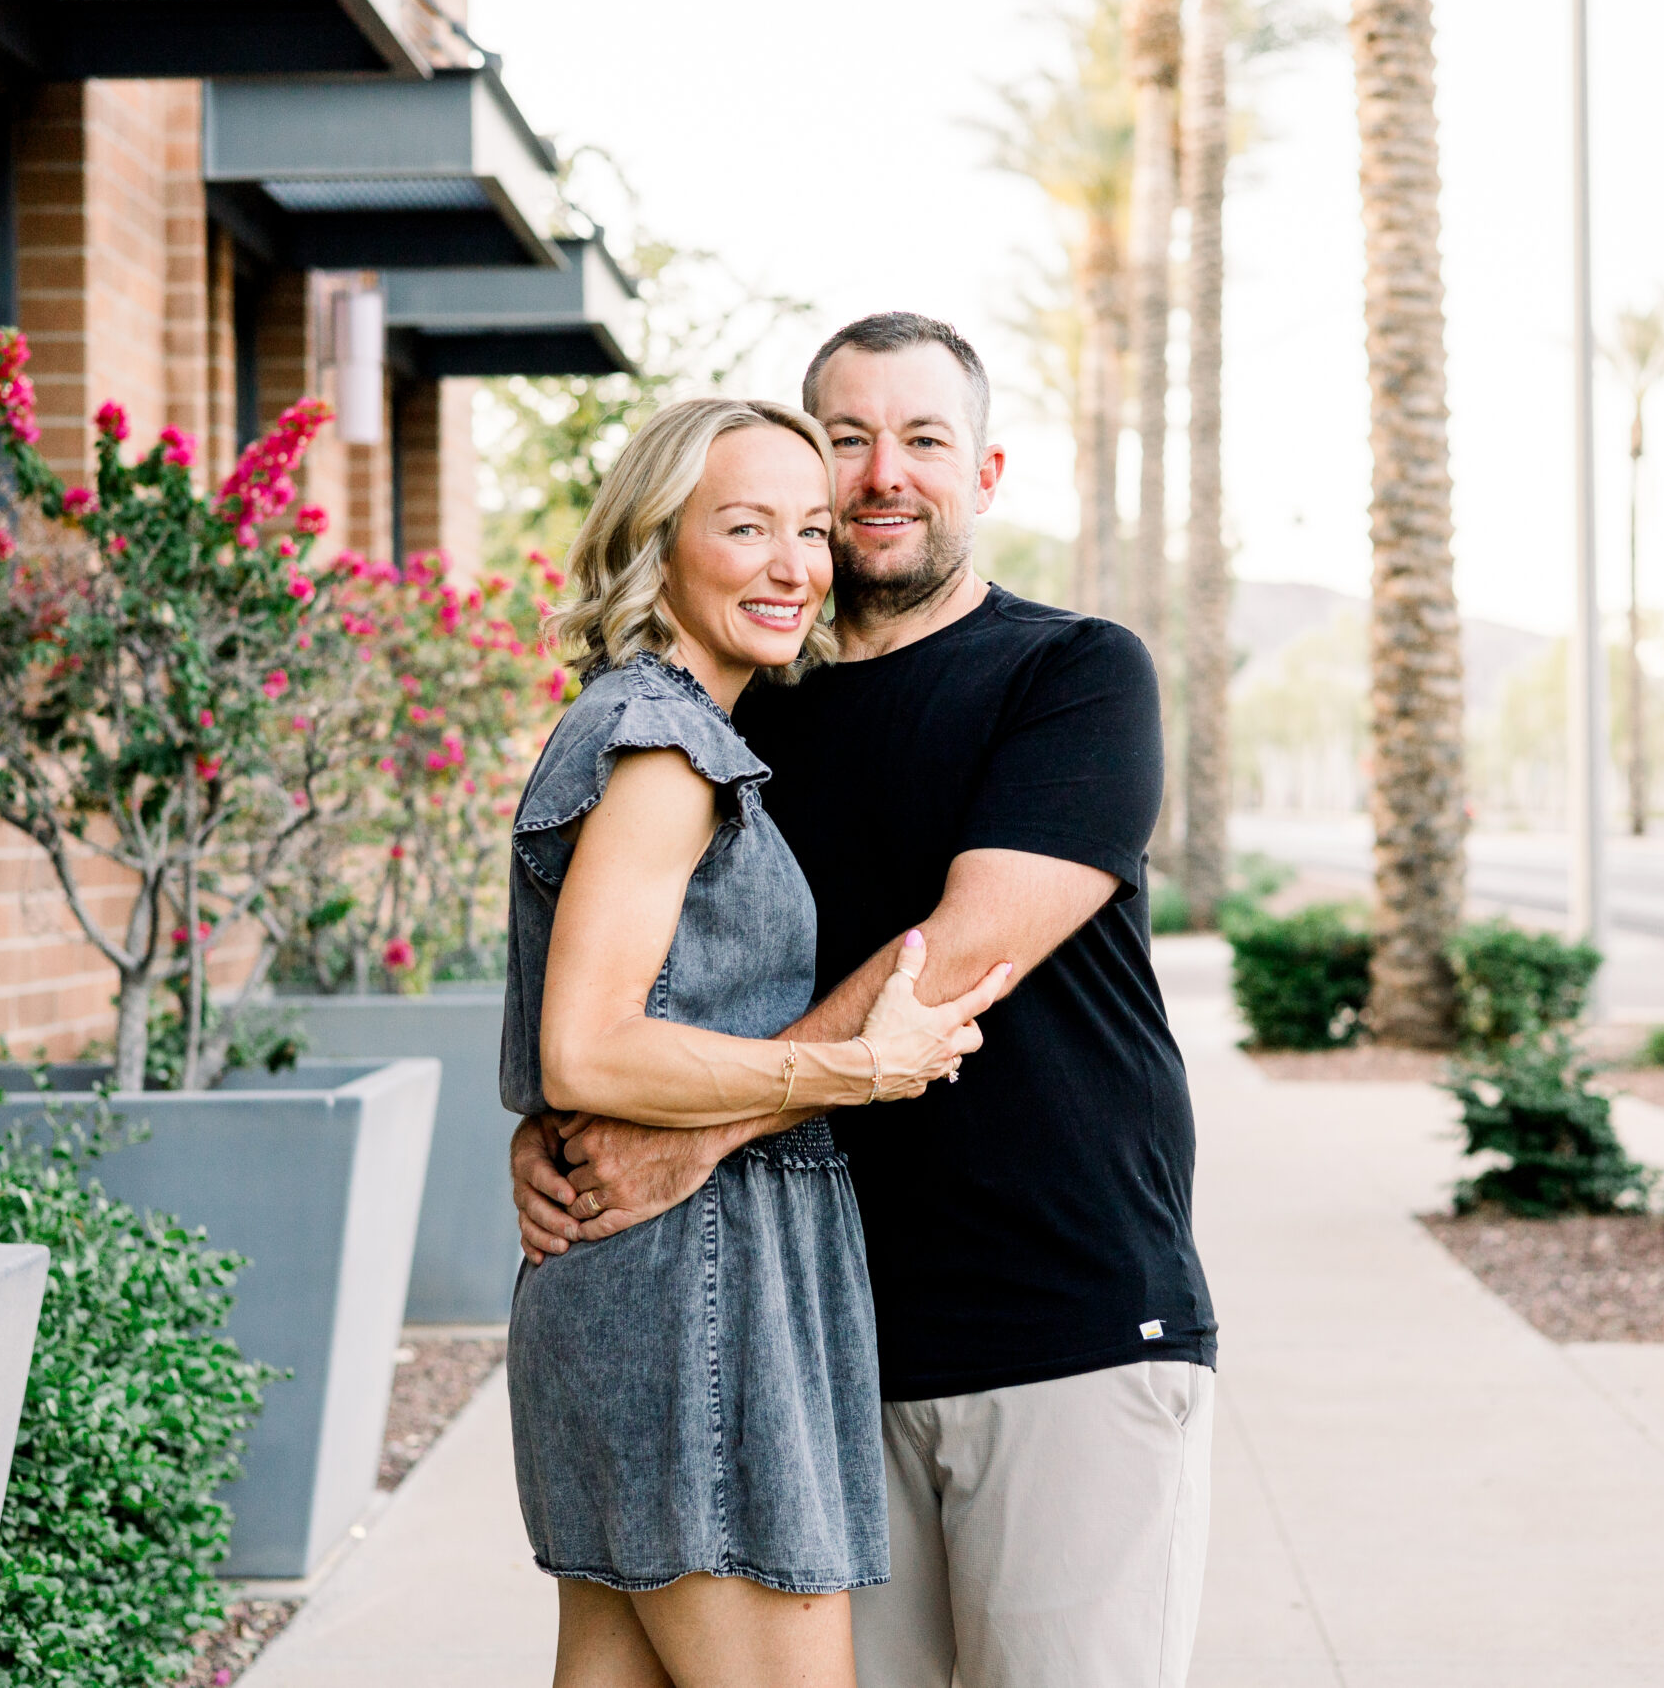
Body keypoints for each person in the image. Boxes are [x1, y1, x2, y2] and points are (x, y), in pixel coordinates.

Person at [513, 314, 1217, 1688]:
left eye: (925, 439)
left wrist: (680, 1133)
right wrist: (565, 1127)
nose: (884, 472)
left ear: (987, 471)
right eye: (847, 439)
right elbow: (637, 987)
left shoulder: (1072, 674)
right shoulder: (731, 713)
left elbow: (952, 960)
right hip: (810, 1346)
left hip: (1061, 1328)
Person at [500, 394, 1012, 1688]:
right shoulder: (665, 745)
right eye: (745, 528)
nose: (795, 566)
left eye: (811, 530)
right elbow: (589, 1047)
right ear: (657, 541)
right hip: (701, 1291)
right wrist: (853, 1069)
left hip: (658, 1287)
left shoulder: (657, 726)